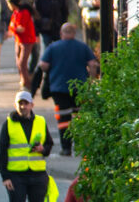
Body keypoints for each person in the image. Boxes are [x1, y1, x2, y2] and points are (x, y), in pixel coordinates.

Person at [0, 89, 53, 202]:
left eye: (26, 103)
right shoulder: (9, 124)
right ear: (16, 105)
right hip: (16, 175)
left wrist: (42, 149)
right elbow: (1, 151)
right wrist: (5, 176)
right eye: (20, 103)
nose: (23, 106)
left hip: (37, 174)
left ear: (32, 105)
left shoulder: (40, 121)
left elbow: (49, 145)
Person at [38, 21, 97, 154]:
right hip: (80, 88)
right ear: (74, 33)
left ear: (61, 33)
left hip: (59, 88)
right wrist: (92, 80)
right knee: (79, 116)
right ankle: (80, 146)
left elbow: (43, 65)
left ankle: (66, 148)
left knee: (63, 119)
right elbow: (92, 64)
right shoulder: (82, 47)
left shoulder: (53, 47)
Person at [8, 0, 39, 89]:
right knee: (19, 62)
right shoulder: (16, 13)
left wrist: (12, 29)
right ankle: (23, 79)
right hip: (19, 40)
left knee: (22, 63)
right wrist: (13, 28)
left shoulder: (24, 13)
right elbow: (13, 26)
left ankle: (28, 83)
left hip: (27, 40)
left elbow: (21, 29)